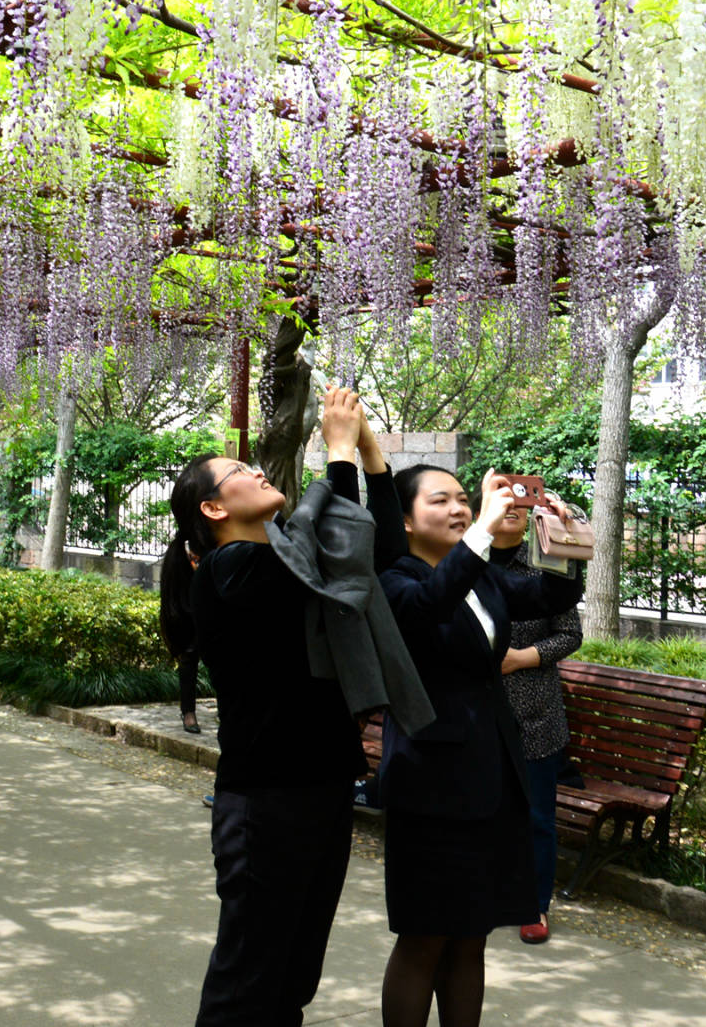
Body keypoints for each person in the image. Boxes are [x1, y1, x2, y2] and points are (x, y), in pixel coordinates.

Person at [161, 388, 418, 1027]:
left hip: (324, 789)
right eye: (238, 472)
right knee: (248, 980)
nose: (256, 470)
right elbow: (309, 552)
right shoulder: (227, 571)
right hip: (265, 803)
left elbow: (380, 553)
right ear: (214, 507)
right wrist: (334, 456)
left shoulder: (283, 558)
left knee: (294, 975)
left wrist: (368, 453)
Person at [374, 465, 584, 1027]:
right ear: (405, 521)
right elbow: (429, 608)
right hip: (431, 785)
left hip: (491, 778)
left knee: (471, 939)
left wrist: (558, 537)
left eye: (465, 499)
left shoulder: (482, 577)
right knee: (424, 940)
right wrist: (481, 538)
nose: (461, 508)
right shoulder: (395, 581)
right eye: (440, 500)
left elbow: (548, 594)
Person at [489, 502, 583, 946]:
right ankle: (487, 892)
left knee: (537, 816)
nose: (511, 508)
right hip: (480, 711)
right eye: (501, 498)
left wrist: (523, 658)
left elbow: (571, 632)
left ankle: (534, 904)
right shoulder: (466, 560)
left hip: (534, 711)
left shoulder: (544, 561)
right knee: (484, 808)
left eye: (519, 503)